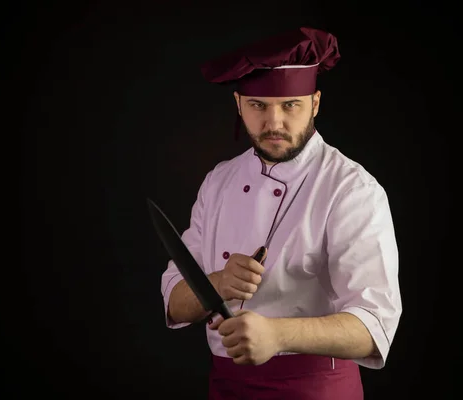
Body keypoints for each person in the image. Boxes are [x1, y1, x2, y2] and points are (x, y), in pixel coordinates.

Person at [160, 26, 402, 400]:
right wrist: (218, 283)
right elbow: (175, 300)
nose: (274, 123)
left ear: (316, 103)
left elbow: (375, 325)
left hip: (314, 387)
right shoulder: (219, 181)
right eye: (258, 105)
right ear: (238, 104)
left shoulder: (351, 189)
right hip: (226, 386)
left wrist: (278, 334)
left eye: (291, 105)